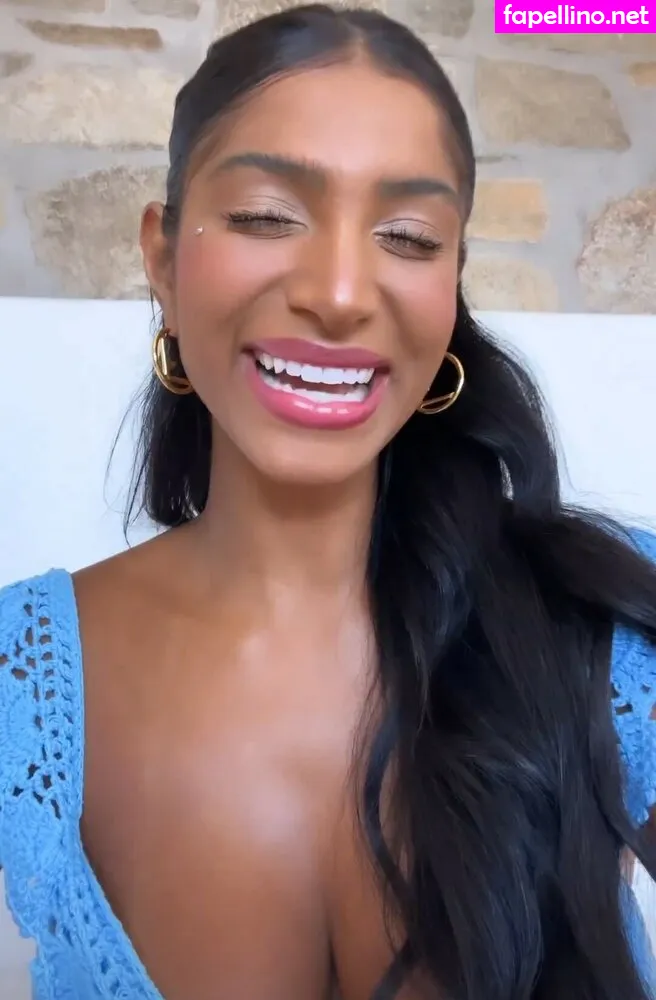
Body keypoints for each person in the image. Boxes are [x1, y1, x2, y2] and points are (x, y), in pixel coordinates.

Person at [1, 5, 656, 999]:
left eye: (407, 236)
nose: (342, 290)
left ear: (451, 288)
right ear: (162, 259)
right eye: (267, 216)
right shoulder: (26, 679)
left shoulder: (602, 627)